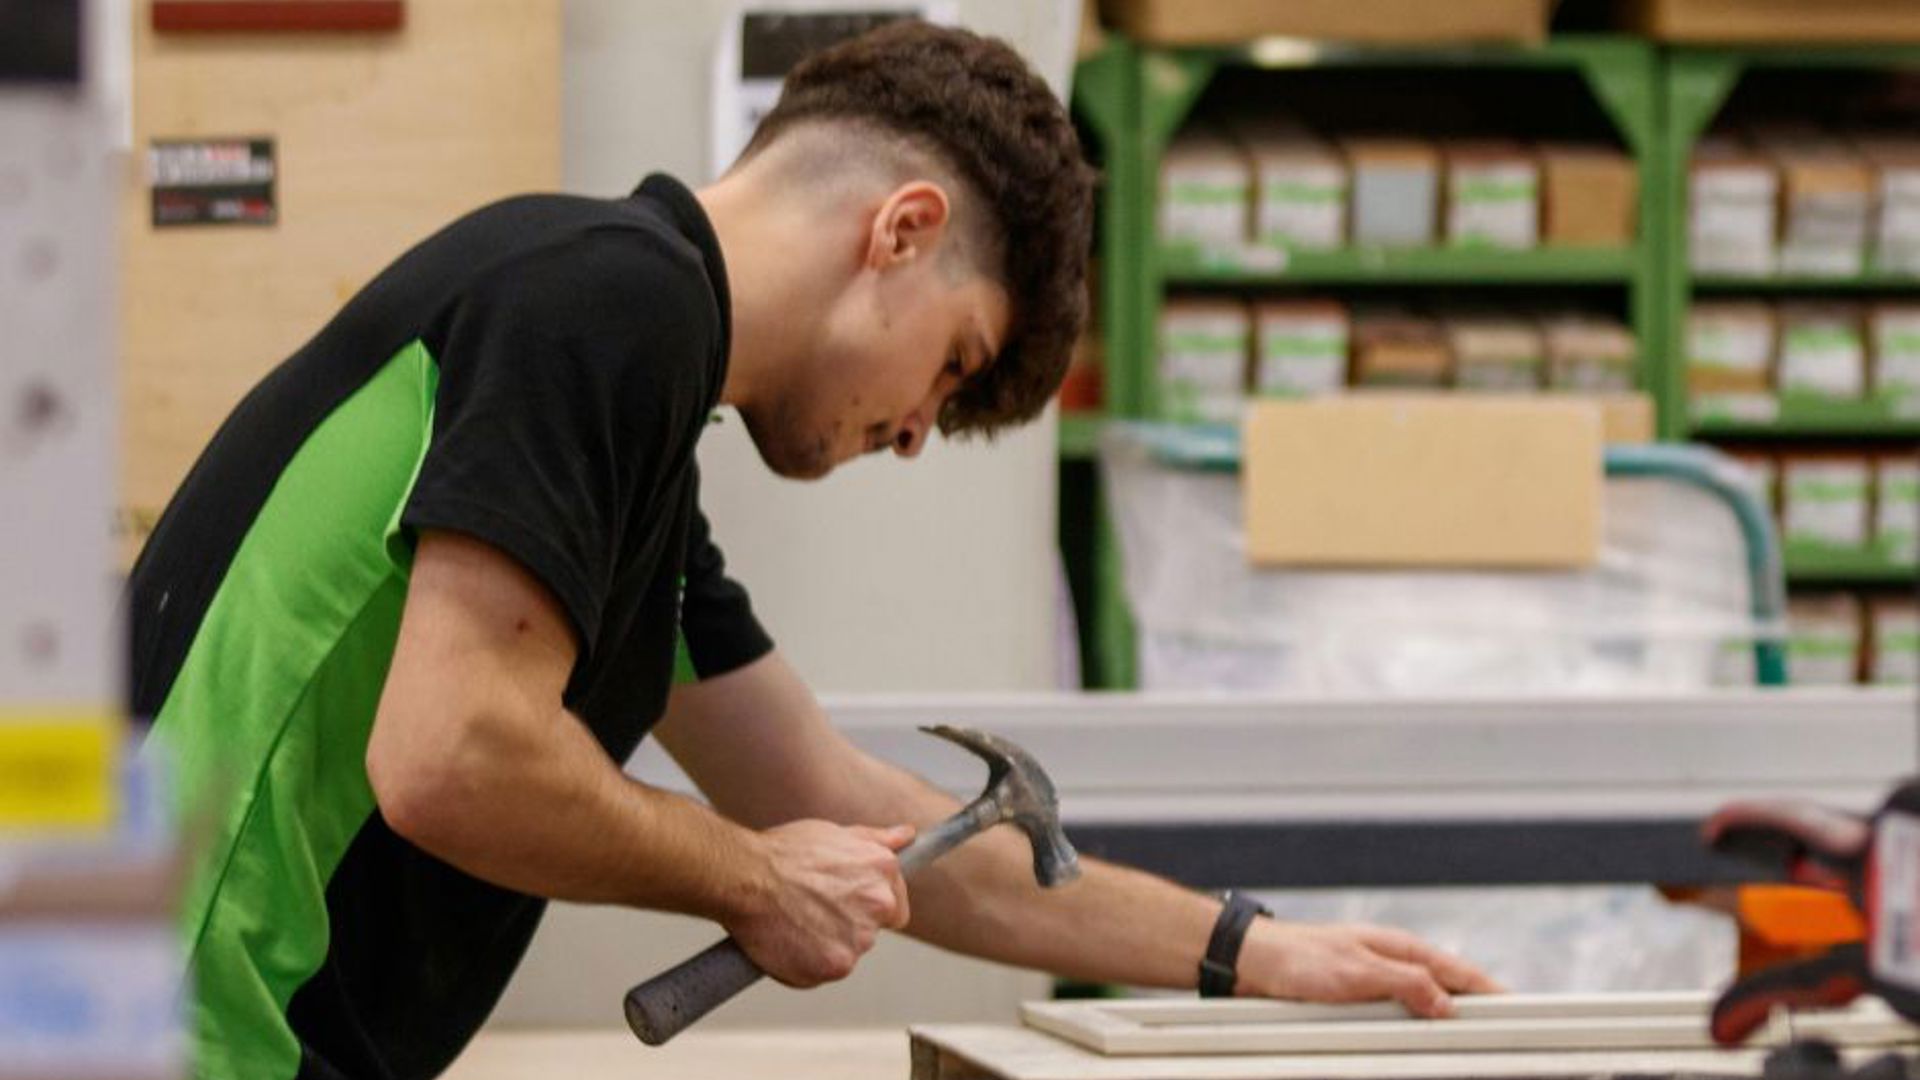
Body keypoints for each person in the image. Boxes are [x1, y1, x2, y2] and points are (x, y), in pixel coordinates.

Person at [129, 21, 1496, 1080]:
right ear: (904, 230)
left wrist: (1250, 949)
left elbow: (851, 809)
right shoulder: (609, 302)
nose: (914, 436)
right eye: (951, 369)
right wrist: (752, 877)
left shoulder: (632, 449)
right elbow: (452, 754)